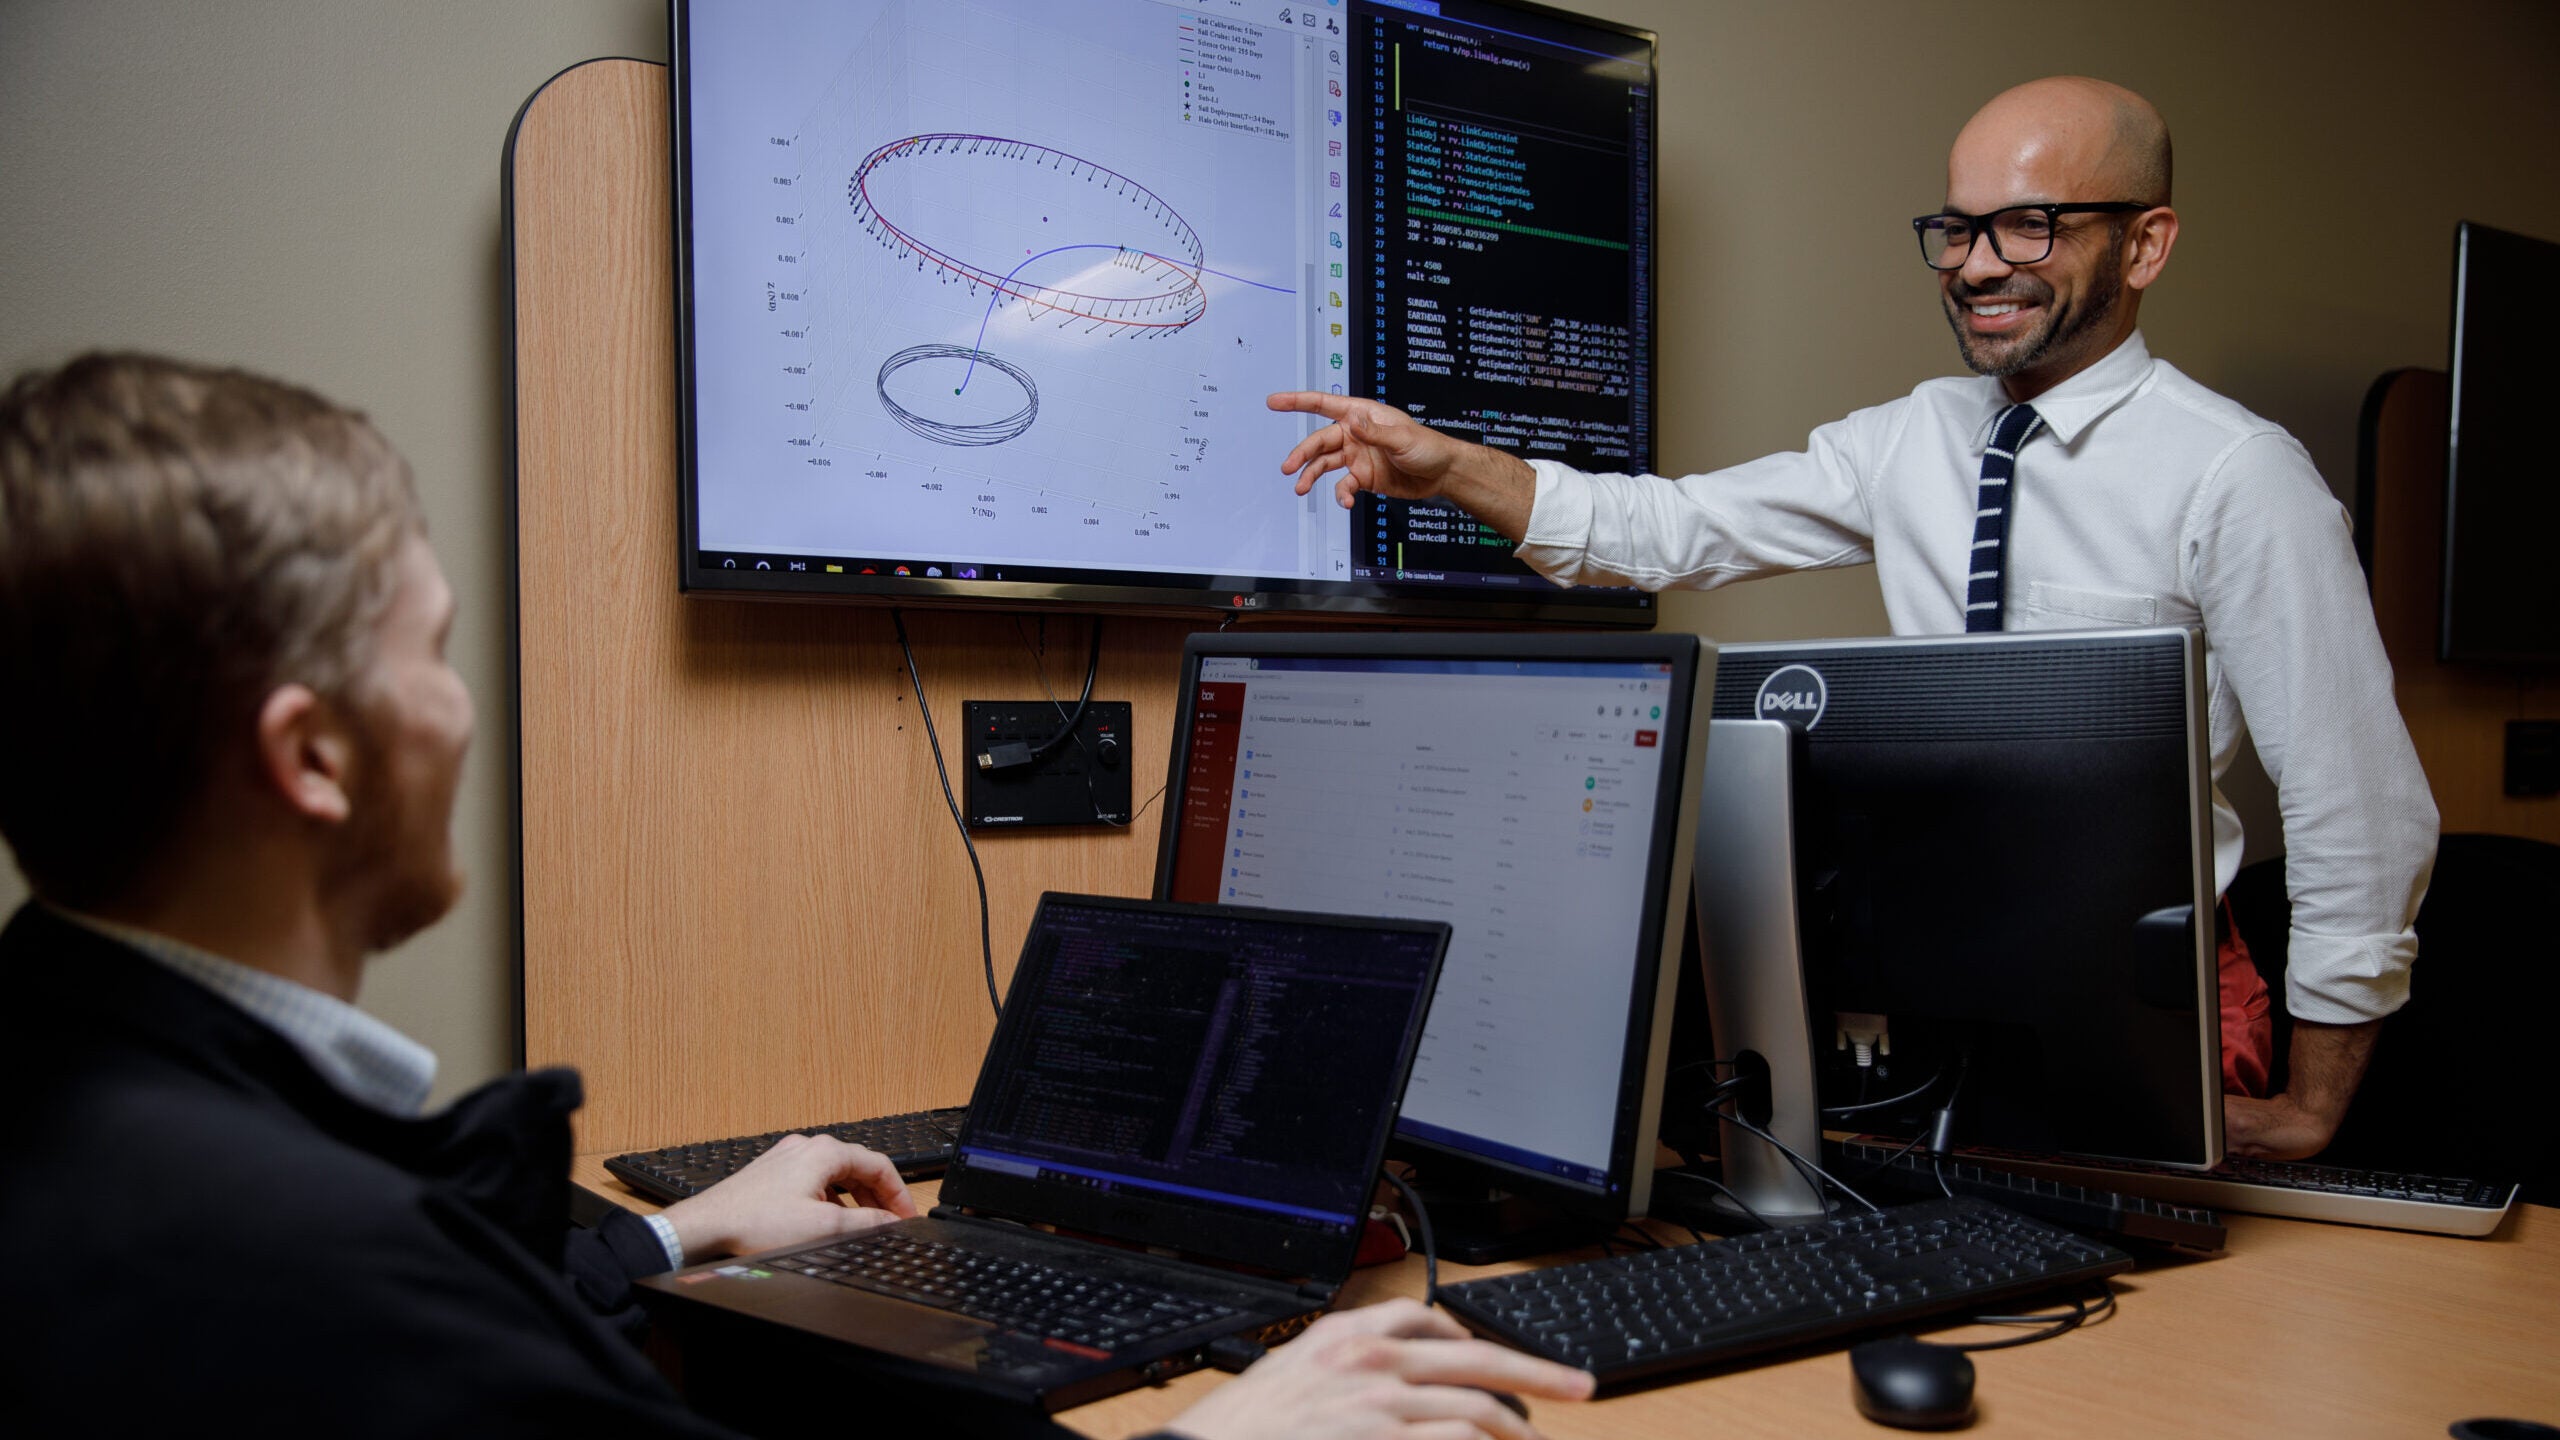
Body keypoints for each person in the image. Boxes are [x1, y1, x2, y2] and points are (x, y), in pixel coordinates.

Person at [0, 351, 1591, 1438]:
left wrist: (669, 1239)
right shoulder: (295, 1269)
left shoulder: (73, 1081)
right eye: (431, 651)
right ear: (314, 759)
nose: (462, 709)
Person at [1269, 77, 2438, 1162]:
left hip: (2140, 988)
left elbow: (2359, 804)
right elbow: (1664, 530)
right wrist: (1450, 467)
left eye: (2028, 226)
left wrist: (2312, 1105)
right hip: (1930, 975)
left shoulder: (2236, 475)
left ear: (2144, 244)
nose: (1977, 266)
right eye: (1957, 230)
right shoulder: (1908, 438)